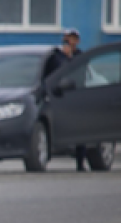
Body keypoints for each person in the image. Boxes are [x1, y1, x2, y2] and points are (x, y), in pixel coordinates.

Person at [43, 28, 86, 171]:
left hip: (77, 97)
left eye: (73, 39)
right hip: (60, 98)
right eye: (68, 39)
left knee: (81, 131)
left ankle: (80, 162)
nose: (70, 42)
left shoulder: (80, 55)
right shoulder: (56, 57)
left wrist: (71, 58)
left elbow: (81, 73)